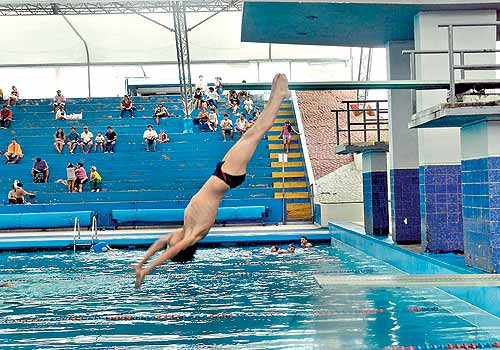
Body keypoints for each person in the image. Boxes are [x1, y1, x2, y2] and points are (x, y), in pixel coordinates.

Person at [135, 73, 289, 289]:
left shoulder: (183, 231)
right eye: (172, 245)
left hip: (221, 175)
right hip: (227, 177)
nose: (168, 241)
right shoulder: (194, 234)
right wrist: (147, 272)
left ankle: (276, 97)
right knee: (255, 133)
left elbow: (161, 244)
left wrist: (140, 263)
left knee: (252, 133)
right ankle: (279, 97)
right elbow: (168, 251)